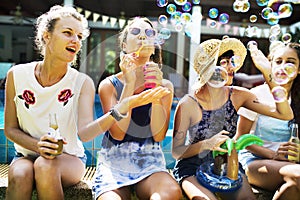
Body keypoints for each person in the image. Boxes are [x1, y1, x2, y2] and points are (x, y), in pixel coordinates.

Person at [4, 6, 172, 200]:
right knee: (19, 174)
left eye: (79, 36)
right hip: (26, 154)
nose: (75, 41)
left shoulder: (82, 82)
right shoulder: (16, 75)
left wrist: (125, 105)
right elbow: (10, 129)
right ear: (46, 36)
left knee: (44, 166)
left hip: (67, 158)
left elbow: (85, 133)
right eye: (68, 33)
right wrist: (37, 145)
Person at [171, 37, 294, 200]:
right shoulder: (188, 103)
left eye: (232, 61)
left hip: (228, 164)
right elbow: (176, 152)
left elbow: (284, 114)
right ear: (208, 67)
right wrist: (207, 144)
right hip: (192, 167)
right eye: (223, 62)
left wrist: (267, 71)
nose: (231, 67)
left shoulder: (238, 95)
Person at [93, 17, 182, 200]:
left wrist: (156, 91)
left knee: (170, 193)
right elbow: (118, 134)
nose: (143, 35)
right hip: (113, 162)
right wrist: (130, 82)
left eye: (149, 33)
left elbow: (158, 136)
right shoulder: (109, 85)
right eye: (135, 32)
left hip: (150, 162)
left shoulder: (165, 86)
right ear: (124, 46)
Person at [237, 41, 300, 200]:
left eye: (290, 62)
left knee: (293, 188)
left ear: (299, 70)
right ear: (269, 65)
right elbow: (240, 139)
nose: (283, 66)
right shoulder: (255, 95)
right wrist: (273, 155)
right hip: (255, 162)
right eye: (278, 61)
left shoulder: (297, 99)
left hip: (289, 165)